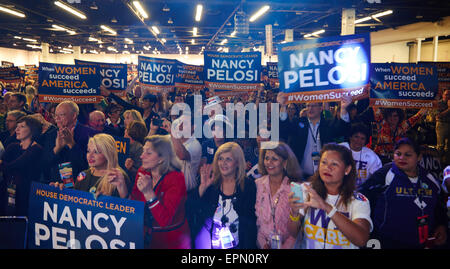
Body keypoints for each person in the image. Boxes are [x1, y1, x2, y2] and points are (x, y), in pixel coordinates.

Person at [359, 138, 448, 249]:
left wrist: (441, 225)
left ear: (419, 157)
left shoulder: (430, 179)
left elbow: (439, 207)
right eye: (398, 154)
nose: (402, 158)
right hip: (387, 242)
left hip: (421, 242)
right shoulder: (385, 174)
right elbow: (362, 197)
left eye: (408, 155)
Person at [287, 143, 372, 249]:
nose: (327, 168)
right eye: (323, 162)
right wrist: (294, 214)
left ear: (347, 170)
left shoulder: (358, 200)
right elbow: (293, 233)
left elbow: (361, 240)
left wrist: (327, 208)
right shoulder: (308, 190)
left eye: (334, 164)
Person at [188, 142, 257, 249]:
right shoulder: (211, 184)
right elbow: (190, 209)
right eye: (220, 159)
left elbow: (250, 225)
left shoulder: (248, 186)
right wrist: (202, 187)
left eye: (228, 159)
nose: (223, 163)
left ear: (238, 162)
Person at [129, 135, 191, 249]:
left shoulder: (176, 178)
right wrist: (121, 186)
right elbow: (134, 203)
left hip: (171, 242)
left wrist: (148, 193)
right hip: (145, 238)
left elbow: (165, 221)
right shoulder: (143, 172)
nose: (142, 156)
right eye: (143, 151)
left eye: (148, 153)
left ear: (162, 158)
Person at [278, 92, 352, 180]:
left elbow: (343, 130)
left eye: (313, 106)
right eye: (308, 106)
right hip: (300, 175)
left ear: (321, 108)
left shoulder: (328, 124)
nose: (310, 109)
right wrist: (283, 106)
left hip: (323, 175)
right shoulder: (298, 122)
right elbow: (284, 129)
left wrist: (343, 108)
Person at [50, 133, 130, 198]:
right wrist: (62, 191)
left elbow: (129, 210)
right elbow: (74, 202)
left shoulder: (118, 177)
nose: (90, 155)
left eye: (96, 152)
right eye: (88, 151)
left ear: (108, 154)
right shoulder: (83, 175)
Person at [255, 141, 302, 249]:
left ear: (285, 163)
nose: (269, 163)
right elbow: (258, 224)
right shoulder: (258, 184)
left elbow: (297, 230)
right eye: (266, 158)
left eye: (274, 159)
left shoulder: (295, 188)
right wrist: (263, 245)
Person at [41, 101, 98, 185]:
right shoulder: (51, 134)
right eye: (55, 115)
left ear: (74, 115)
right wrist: (57, 149)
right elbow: (44, 163)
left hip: (79, 185)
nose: (57, 119)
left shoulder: (91, 134)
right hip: (54, 185)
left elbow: (89, 165)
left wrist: (72, 144)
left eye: (61, 115)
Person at [0, 115, 43, 216]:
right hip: (7, 190)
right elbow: (4, 168)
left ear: (32, 130)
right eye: (17, 126)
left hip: (26, 193)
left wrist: (3, 164)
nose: (17, 129)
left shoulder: (36, 149)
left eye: (22, 126)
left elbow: (12, 166)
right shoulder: (12, 147)